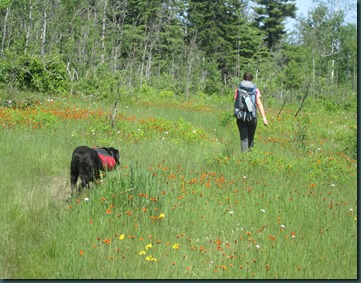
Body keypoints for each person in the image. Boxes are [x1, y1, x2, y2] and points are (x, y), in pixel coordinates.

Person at [234, 72, 268, 152]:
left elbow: (236, 102)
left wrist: (236, 113)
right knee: (251, 137)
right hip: (252, 117)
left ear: (243, 78)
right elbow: (259, 104)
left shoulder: (238, 89)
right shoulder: (255, 90)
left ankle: (244, 158)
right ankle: (250, 156)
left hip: (240, 116)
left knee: (244, 138)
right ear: (251, 79)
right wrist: (264, 118)